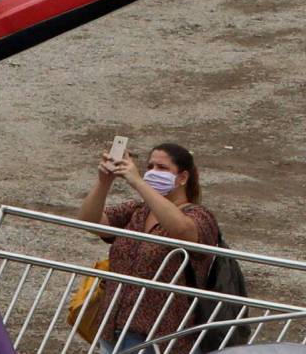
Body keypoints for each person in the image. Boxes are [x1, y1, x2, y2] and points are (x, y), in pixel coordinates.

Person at [79, 143, 219, 354]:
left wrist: (138, 182)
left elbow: (183, 231)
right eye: (150, 167)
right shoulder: (138, 211)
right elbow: (89, 221)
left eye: (162, 168)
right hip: (114, 330)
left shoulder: (200, 216)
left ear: (182, 178)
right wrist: (103, 182)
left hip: (163, 340)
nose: (153, 172)